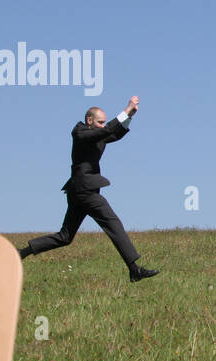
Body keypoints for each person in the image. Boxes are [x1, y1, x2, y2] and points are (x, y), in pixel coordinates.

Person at [19, 97, 159, 282]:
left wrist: (130, 117)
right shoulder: (80, 132)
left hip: (80, 192)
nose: (103, 126)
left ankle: (22, 252)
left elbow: (114, 133)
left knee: (65, 237)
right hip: (84, 191)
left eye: (103, 123)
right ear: (89, 120)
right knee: (113, 222)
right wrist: (126, 109)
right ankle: (134, 269)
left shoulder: (96, 135)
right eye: (100, 122)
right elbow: (108, 129)